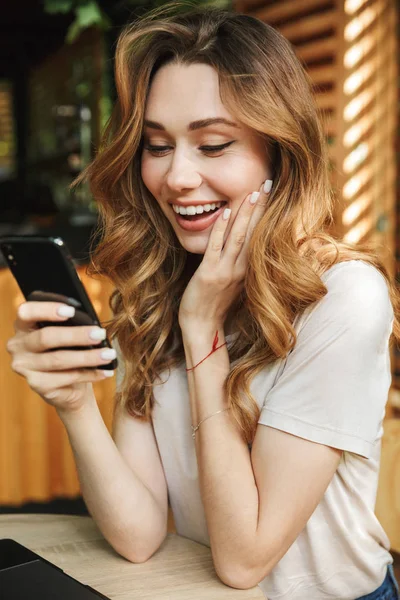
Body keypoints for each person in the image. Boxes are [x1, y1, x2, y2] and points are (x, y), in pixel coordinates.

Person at [6, 5, 400, 599]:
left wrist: (202, 328)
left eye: (213, 145)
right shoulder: (157, 284)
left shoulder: (342, 297)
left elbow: (245, 560)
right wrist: (73, 403)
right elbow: (137, 534)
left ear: (280, 153)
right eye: (157, 145)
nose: (177, 177)